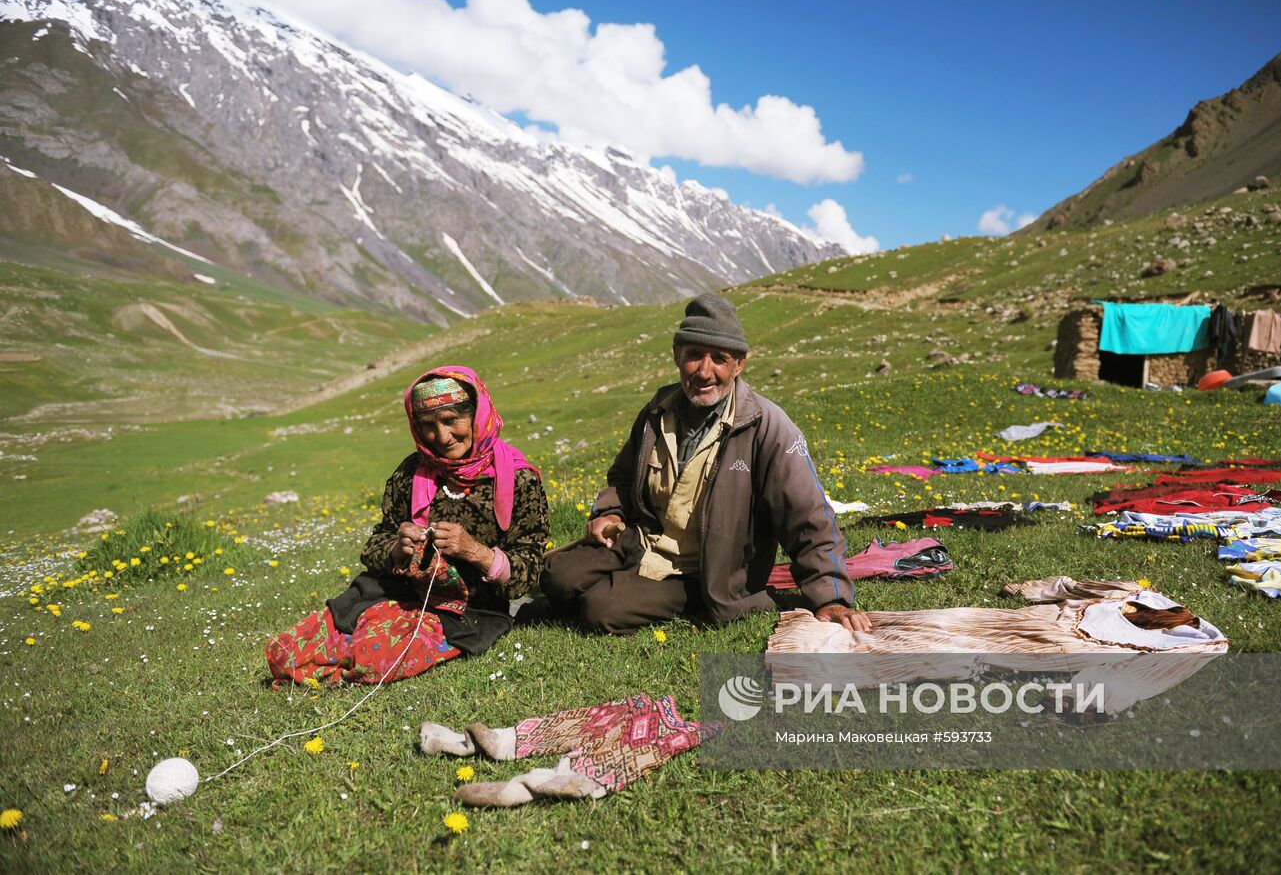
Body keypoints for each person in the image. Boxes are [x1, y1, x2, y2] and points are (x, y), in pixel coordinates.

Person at [540, 294, 869, 635]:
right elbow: (622, 477)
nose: (704, 371)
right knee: (555, 576)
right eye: (694, 356)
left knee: (601, 609)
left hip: (708, 571)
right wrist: (609, 512)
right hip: (644, 542)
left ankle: (727, 602)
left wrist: (831, 597)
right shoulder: (657, 411)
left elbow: (808, 517)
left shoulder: (767, 426)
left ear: (739, 364)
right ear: (676, 356)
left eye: (720, 359)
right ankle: (617, 585)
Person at [265, 365, 549, 686]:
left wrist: (475, 551)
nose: (442, 436)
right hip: (395, 595)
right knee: (285, 653)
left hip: (467, 611)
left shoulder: (519, 480)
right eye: (428, 426)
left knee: (373, 660)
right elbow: (374, 546)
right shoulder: (410, 474)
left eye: (452, 421)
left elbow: (531, 569)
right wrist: (397, 550)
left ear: (477, 415)